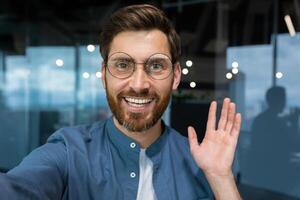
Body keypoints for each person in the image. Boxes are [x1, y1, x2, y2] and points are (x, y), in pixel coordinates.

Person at [0, 4, 242, 200]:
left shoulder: (200, 163)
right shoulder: (68, 152)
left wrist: (221, 178)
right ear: (104, 74)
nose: (139, 84)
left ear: (175, 76)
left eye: (156, 65)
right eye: (123, 65)